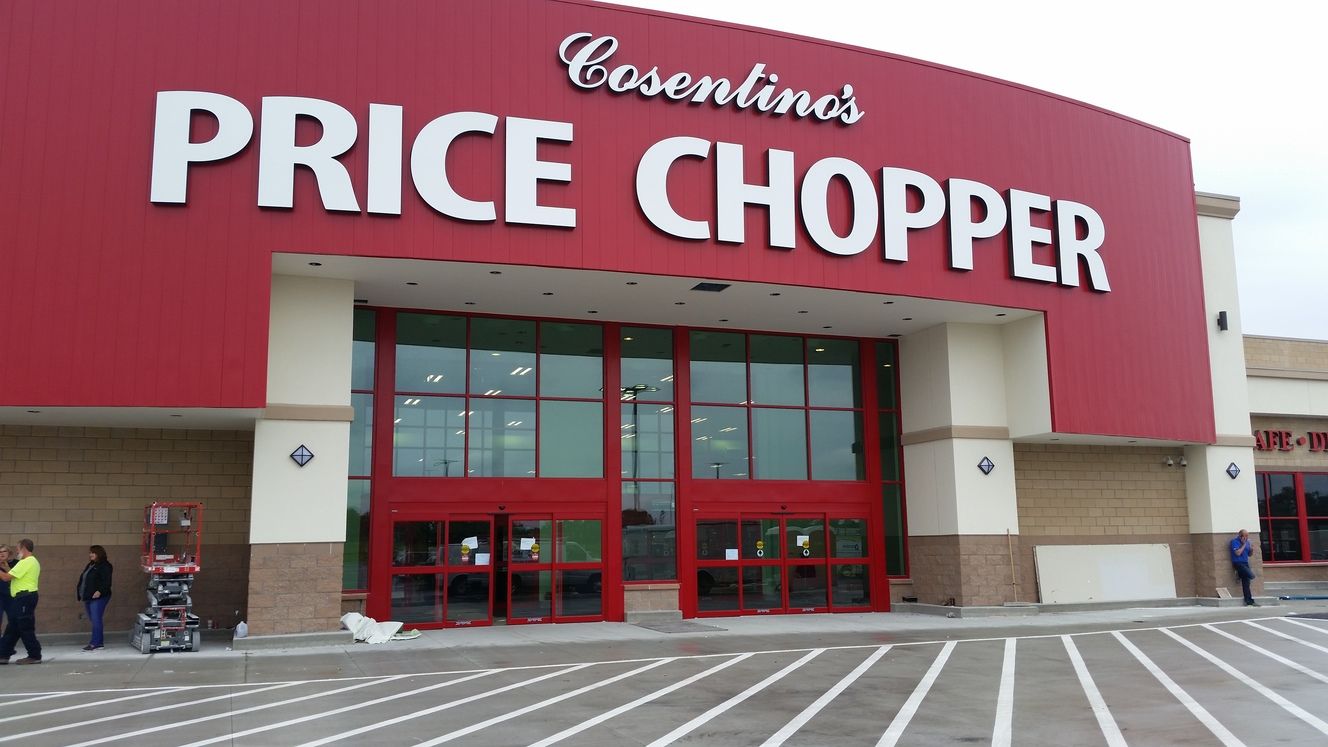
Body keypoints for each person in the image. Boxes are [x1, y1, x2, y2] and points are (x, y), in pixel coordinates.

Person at [0, 539, 42, 664]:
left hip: (25, 597)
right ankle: (3, 654)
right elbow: (12, 574)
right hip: (21, 598)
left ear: (23, 548)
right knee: (13, 627)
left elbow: (7, 578)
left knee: (25, 627)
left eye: (18, 549)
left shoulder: (27, 562)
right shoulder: (29, 562)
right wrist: (5, 567)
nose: (17, 552)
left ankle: (34, 655)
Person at [76, 545, 113, 651]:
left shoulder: (105, 565)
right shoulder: (91, 565)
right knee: (94, 619)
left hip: (99, 597)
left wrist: (99, 591)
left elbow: (107, 581)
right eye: (90, 552)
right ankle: (99, 642)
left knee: (96, 619)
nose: (90, 554)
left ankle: (95, 643)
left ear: (99, 553)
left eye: (93, 552)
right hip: (88, 596)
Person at [1230, 528, 1259, 607]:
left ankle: (1249, 601)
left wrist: (1251, 549)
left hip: (1245, 562)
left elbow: (1249, 554)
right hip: (1238, 562)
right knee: (1251, 575)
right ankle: (1239, 574)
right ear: (1240, 536)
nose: (1246, 537)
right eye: (1245, 536)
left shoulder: (1247, 542)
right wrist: (1243, 544)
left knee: (1246, 583)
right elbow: (1238, 553)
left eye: (1247, 536)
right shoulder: (1234, 542)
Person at [0, 545, 13, 631]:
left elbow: (15, 577)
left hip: (11, 596)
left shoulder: (15, 563)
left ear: (9, 553)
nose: (1, 554)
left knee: (13, 620)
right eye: (0, 552)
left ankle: (7, 642)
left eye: (4, 551)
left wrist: (7, 567)